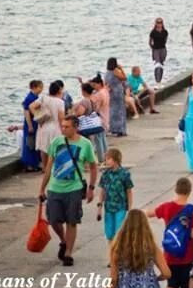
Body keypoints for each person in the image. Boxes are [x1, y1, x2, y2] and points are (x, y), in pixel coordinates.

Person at [38, 115, 98, 267]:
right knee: (53, 220)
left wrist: (91, 187)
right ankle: (63, 241)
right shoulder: (57, 142)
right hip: (55, 188)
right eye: (62, 126)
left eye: (67, 127)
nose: (63, 129)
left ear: (75, 127)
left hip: (74, 188)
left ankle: (68, 253)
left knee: (72, 221)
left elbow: (93, 166)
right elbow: (49, 167)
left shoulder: (85, 144)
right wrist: (42, 188)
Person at [100, 209, 170, 288]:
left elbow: (113, 279)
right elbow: (167, 273)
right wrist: (155, 278)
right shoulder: (152, 248)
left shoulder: (117, 249)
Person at [148, 177, 193, 288]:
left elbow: (150, 213)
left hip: (170, 254)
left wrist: (138, 212)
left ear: (175, 190)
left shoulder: (167, 207)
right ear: (189, 191)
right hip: (187, 255)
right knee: (185, 285)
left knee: (172, 283)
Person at [97, 147, 133, 251]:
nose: (106, 161)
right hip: (108, 208)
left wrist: (130, 208)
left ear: (115, 159)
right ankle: (112, 256)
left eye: (108, 159)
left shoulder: (124, 174)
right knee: (109, 234)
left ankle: (119, 256)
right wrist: (99, 207)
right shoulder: (105, 175)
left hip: (120, 207)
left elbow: (129, 192)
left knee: (119, 232)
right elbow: (102, 191)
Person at [32, 80, 67, 169]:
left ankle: (45, 168)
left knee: (44, 149)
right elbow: (61, 118)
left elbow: (31, 106)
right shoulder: (60, 102)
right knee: (56, 150)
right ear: (58, 91)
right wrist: (64, 130)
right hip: (55, 128)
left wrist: (38, 116)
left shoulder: (43, 98)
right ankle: (54, 168)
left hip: (43, 126)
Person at [20, 80, 43, 172]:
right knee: (30, 144)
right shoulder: (29, 98)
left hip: (34, 122)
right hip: (31, 123)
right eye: (40, 87)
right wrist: (30, 126)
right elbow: (26, 113)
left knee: (33, 143)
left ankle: (33, 164)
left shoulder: (34, 97)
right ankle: (29, 165)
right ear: (34, 87)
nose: (41, 89)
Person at [105, 58, 130, 137]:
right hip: (117, 92)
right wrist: (121, 68)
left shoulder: (107, 73)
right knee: (120, 110)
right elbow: (124, 78)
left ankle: (113, 128)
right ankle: (120, 129)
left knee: (113, 110)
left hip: (111, 92)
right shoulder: (115, 71)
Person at [149, 17, 169, 84]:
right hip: (156, 49)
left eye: (160, 23)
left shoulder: (165, 32)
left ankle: (160, 79)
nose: (159, 24)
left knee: (161, 64)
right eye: (158, 22)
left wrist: (163, 47)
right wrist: (153, 48)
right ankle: (157, 80)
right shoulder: (153, 32)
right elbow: (150, 42)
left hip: (163, 49)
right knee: (157, 64)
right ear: (156, 23)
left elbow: (165, 40)